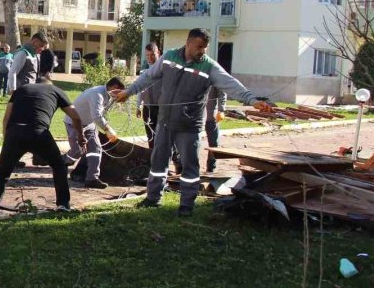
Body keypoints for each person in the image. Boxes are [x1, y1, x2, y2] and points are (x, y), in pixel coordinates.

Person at [115, 28, 274, 216]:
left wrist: (252, 100)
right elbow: (149, 76)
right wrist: (128, 92)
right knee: (158, 163)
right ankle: (153, 198)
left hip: (189, 126)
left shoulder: (209, 67)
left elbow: (231, 85)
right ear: (188, 43)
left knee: (190, 166)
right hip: (165, 121)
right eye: (199, 46)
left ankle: (186, 205)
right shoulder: (169, 57)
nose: (203, 51)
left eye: (205, 47)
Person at [0, 80, 86, 217]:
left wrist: (7, 139)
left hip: (15, 132)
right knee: (59, 166)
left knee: (3, 172)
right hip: (39, 132)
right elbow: (76, 117)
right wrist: (80, 136)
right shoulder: (56, 91)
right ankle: (63, 204)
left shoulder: (21, 89)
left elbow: (6, 118)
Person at [65, 77, 125, 189]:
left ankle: (92, 179)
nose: (118, 95)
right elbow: (97, 116)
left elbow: (102, 113)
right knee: (77, 150)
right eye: (119, 92)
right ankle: (62, 161)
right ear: (114, 87)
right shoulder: (97, 94)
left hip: (89, 124)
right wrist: (108, 129)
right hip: (73, 123)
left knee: (95, 149)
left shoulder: (108, 95)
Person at [136, 42, 161, 149]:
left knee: (162, 136)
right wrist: (138, 106)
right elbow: (140, 90)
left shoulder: (164, 71)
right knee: (150, 136)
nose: (150, 58)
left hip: (162, 108)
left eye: (152, 55)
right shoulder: (144, 73)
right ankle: (152, 160)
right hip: (147, 108)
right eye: (147, 55)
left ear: (158, 53)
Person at [204, 87, 226, 172]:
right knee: (190, 143)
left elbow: (222, 93)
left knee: (214, 144)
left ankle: (211, 168)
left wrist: (221, 110)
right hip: (195, 117)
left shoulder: (214, 76)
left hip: (211, 117)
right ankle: (183, 167)